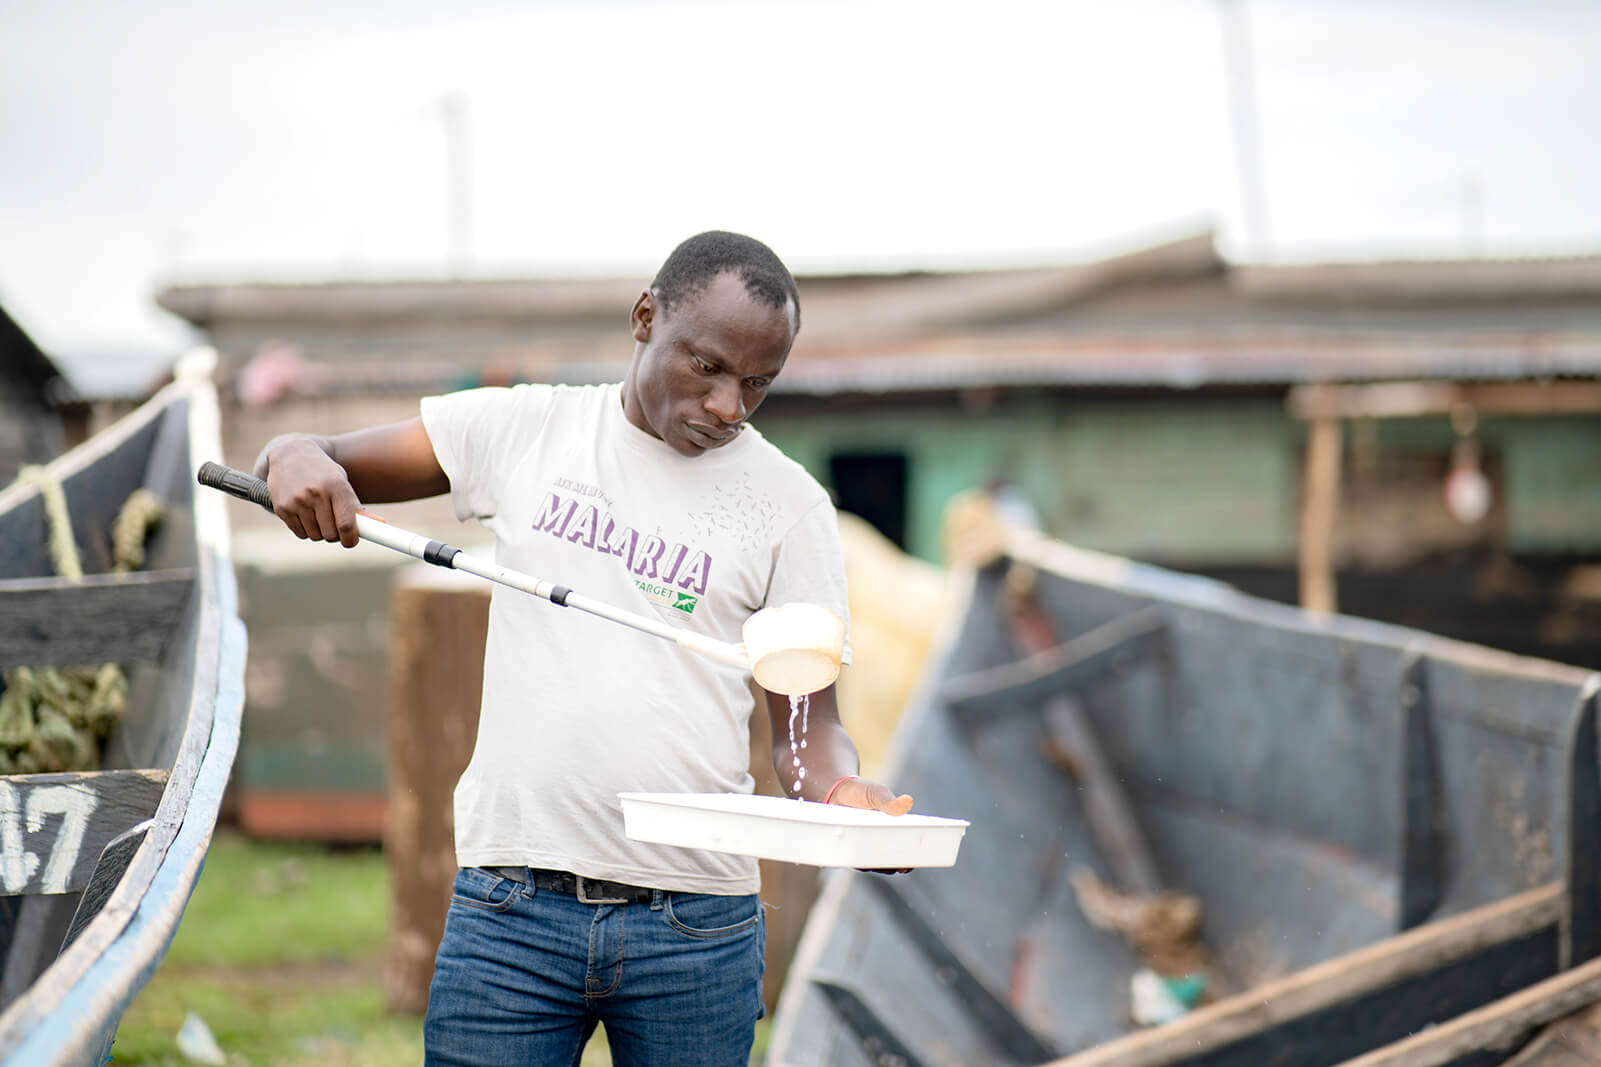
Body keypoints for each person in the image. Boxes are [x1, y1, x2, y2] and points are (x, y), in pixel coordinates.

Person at [252, 231, 913, 1066]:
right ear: (645, 317)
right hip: (512, 908)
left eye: (757, 382)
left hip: (695, 927)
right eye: (706, 365)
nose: (727, 406)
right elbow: (313, 452)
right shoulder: (526, 429)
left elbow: (805, 729)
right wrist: (296, 461)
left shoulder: (790, 509)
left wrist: (841, 789)